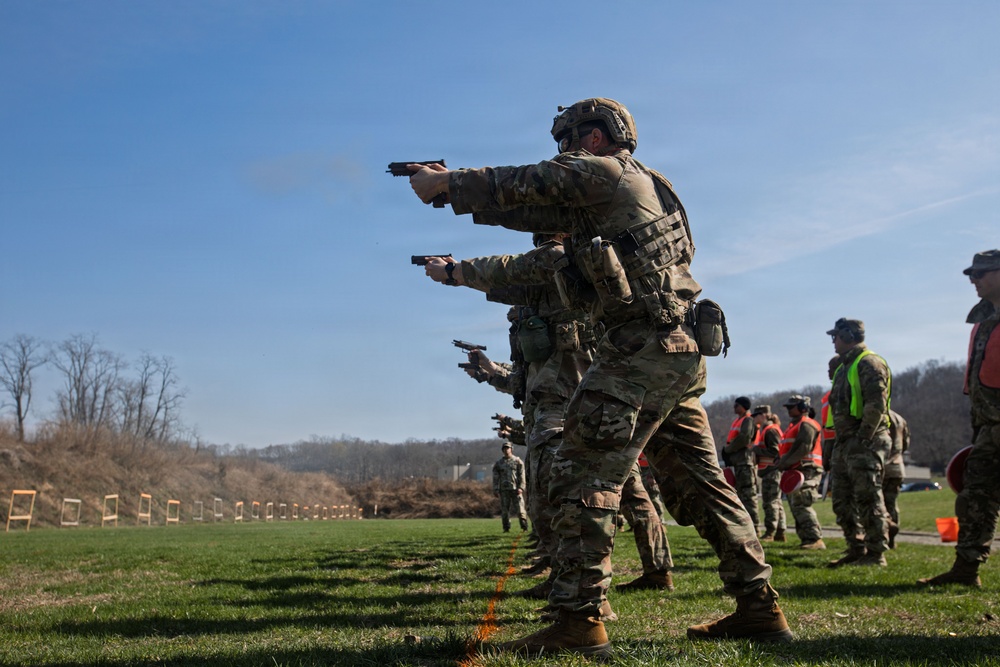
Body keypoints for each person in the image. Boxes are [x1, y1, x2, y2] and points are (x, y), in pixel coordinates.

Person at [409, 98, 789, 655]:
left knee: (578, 473)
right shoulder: (641, 186)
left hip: (640, 348)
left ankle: (579, 620)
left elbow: (534, 184)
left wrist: (450, 184)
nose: (562, 154)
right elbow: (536, 212)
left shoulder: (607, 172)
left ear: (592, 138)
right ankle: (759, 606)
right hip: (675, 347)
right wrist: (453, 199)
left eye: (566, 143)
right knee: (700, 484)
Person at [424, 240, 674, 601]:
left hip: (571, 403)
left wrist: (455, 272)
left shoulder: (560, 275)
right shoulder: (555, 300)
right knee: (624, 491)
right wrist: (491, 371)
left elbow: (508, 272)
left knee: (560, 492)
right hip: (589, 401)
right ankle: (642, 571)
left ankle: (576, 584)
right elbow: (524, 377)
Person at [919, 249, 1000, 587]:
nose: (973, 281)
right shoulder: (982, 320)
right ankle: (966, 570)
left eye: (980, 273)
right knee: (974, 497)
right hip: (988, 428)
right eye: (971, 275)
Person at [825, 318, 892, 567]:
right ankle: (855, 547)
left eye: (836, 336)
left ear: (849, 335)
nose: (834, 341)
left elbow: (876, 403)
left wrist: (863, 438)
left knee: (868, 497)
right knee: (841, 500)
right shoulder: (843, 368)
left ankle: (875, 553)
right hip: (845, 441)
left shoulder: (869, 363)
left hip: (865, 441)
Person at [773, 395, 825, 550]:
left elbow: (803, 447)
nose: (789, 410)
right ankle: (806, 539)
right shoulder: (793, 426)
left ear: (803, 407)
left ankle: (815, 539)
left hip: (807, 469)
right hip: (795, 469)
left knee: (801, 502)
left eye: (792, 407)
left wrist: (784, 462)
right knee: (796, 505)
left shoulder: (807, 424)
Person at [724, 396, 760, 532]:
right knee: (741, 496)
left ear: (744, 407)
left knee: (748, 496)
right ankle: (746, 527)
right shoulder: (737, 421)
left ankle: (755, 528)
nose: (734, 408)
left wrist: (728, 449)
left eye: (736, 405)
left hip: (745, 463)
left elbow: (744, 438)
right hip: (738, 462)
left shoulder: (748, 420)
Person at [752, 405, 786, 542]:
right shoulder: (768, 430)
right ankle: (780, 532)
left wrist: (756, 450)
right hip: (770, 470)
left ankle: (770, 532)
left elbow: (775, 451)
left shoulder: (770, 431)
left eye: (756, 416)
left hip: (771, 470)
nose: (754, 419)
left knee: (770, 502)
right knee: (776, 502)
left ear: (763, 416)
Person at [884, 409, 909, 549]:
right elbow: (905, 443)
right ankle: (892, 538)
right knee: (892, 503)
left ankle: (883, 533)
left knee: (877, 503)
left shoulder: (878, 416)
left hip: (882, 466)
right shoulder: (900, 419)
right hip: (897, 467)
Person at [492, 443, 528, 532]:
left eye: (508, 448)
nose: (506, 450)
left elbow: (522, 475)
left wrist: (521, 487)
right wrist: (495, 489)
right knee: (505, 511)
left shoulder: (517, 461)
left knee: (520, 509)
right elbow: (495, 477)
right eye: (504, 448)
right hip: (504, 490)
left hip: (516, 489)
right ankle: (506, 528)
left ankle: (524, 527)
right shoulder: (499, 463)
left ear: (511, 449)